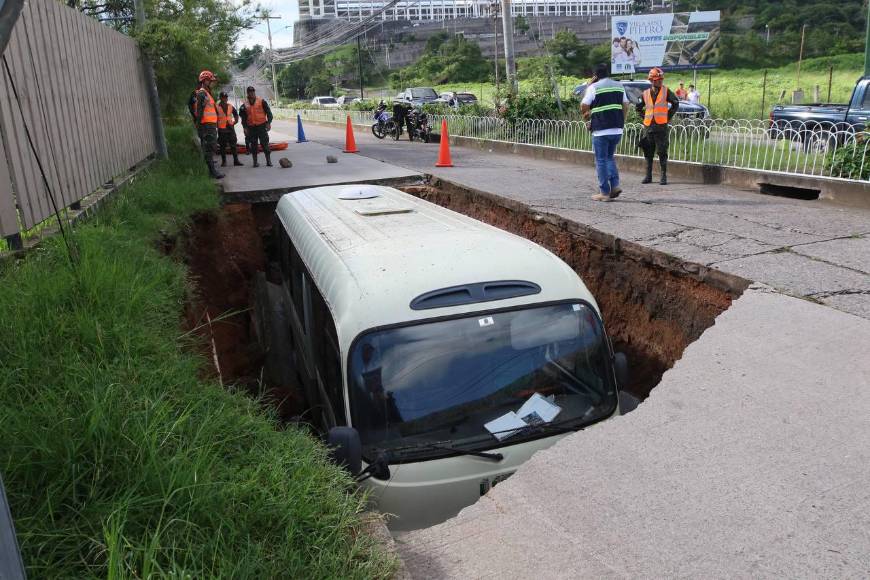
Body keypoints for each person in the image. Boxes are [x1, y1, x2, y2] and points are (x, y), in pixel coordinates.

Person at [581, 64, 630, 202]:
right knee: (609, 157)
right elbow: (626, 105)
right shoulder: (619, 85)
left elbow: (583, 105)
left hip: (601, 130)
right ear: (607, 73)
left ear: (595, 76)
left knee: (601, 160)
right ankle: (615, 185)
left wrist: (586, 118)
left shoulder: (593, 87)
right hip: (617, 129)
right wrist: (622, 120)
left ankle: (604, 192)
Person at [636, 67, 679, 185]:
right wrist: (645, 117)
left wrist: (667, 116)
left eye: (661, 79)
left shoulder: (666, 91)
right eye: (657, 80)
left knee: (662, 152)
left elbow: (675, 103)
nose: (660, 81)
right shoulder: (645, 93)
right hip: (648, 127)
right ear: (651, 80)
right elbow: (638, 107)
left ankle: (663, 177)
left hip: (661, 127)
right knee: (648, 152)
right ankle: (648, 176)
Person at [193, 70, 224, 179]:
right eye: (211, 81)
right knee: (209, 148)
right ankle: (212, 172)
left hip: (210, 125)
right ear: (205, 81)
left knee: (211, 147)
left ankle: (212, 171)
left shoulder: (207, 93)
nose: (212, 83)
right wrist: (199, 126)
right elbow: (199, 111)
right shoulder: (202, 93)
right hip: (206, 125)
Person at [239, 86, 274, 167]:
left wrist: (268, 123)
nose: (251, 93)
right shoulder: (244, 105)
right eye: (249, 92)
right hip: (251, 128)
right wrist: (245, 128)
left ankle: (268, 161)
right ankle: (255, 162)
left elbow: (269, 113)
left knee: (265, 144)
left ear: (254, 92)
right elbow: (243, 118)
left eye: (252, 92)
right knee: (253, 145)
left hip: (261, 126)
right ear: (247, 93)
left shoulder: (262, 101)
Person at [216, 92, 243, 167]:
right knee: (222, 146)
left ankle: (236, 161)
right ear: (220, 98)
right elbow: (214, 116)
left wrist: (236, 120)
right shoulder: (216, 107)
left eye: (226, 97)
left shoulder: (230, 106)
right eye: (223, 97)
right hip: (222, 129)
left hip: (230, 128)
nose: (225, 99)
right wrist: (216, 125)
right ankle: (224, 162)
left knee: (233, 145)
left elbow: (235, 113)